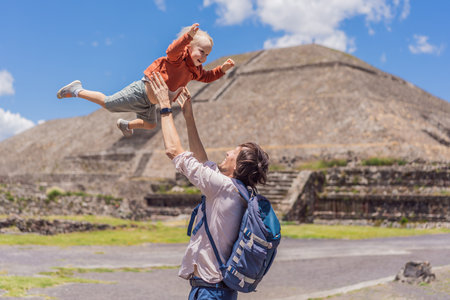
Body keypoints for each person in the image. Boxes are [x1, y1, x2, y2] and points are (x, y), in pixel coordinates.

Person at [148, 71, 269, 300]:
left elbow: (174, 151)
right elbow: (203, 162)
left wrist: (165, 107)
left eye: (233, 153)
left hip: (209, 291)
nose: (227, 152)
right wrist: (188, 117)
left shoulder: (223, 187)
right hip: (219, 289)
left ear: (239, 166)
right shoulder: (239, 191)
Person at [56, 23, 235, 137]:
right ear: (188, 47)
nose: (204, 58)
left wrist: (222, 69)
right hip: (141, 91)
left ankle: (126, 125)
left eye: (208, 55)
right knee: (109, 104)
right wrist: (187, 36)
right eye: (201, 52)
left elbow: (208, 77)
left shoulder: (195, 70)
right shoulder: (177, 58)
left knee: (150, 124)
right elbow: (171, 50)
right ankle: (77, 90)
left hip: (151, 103)